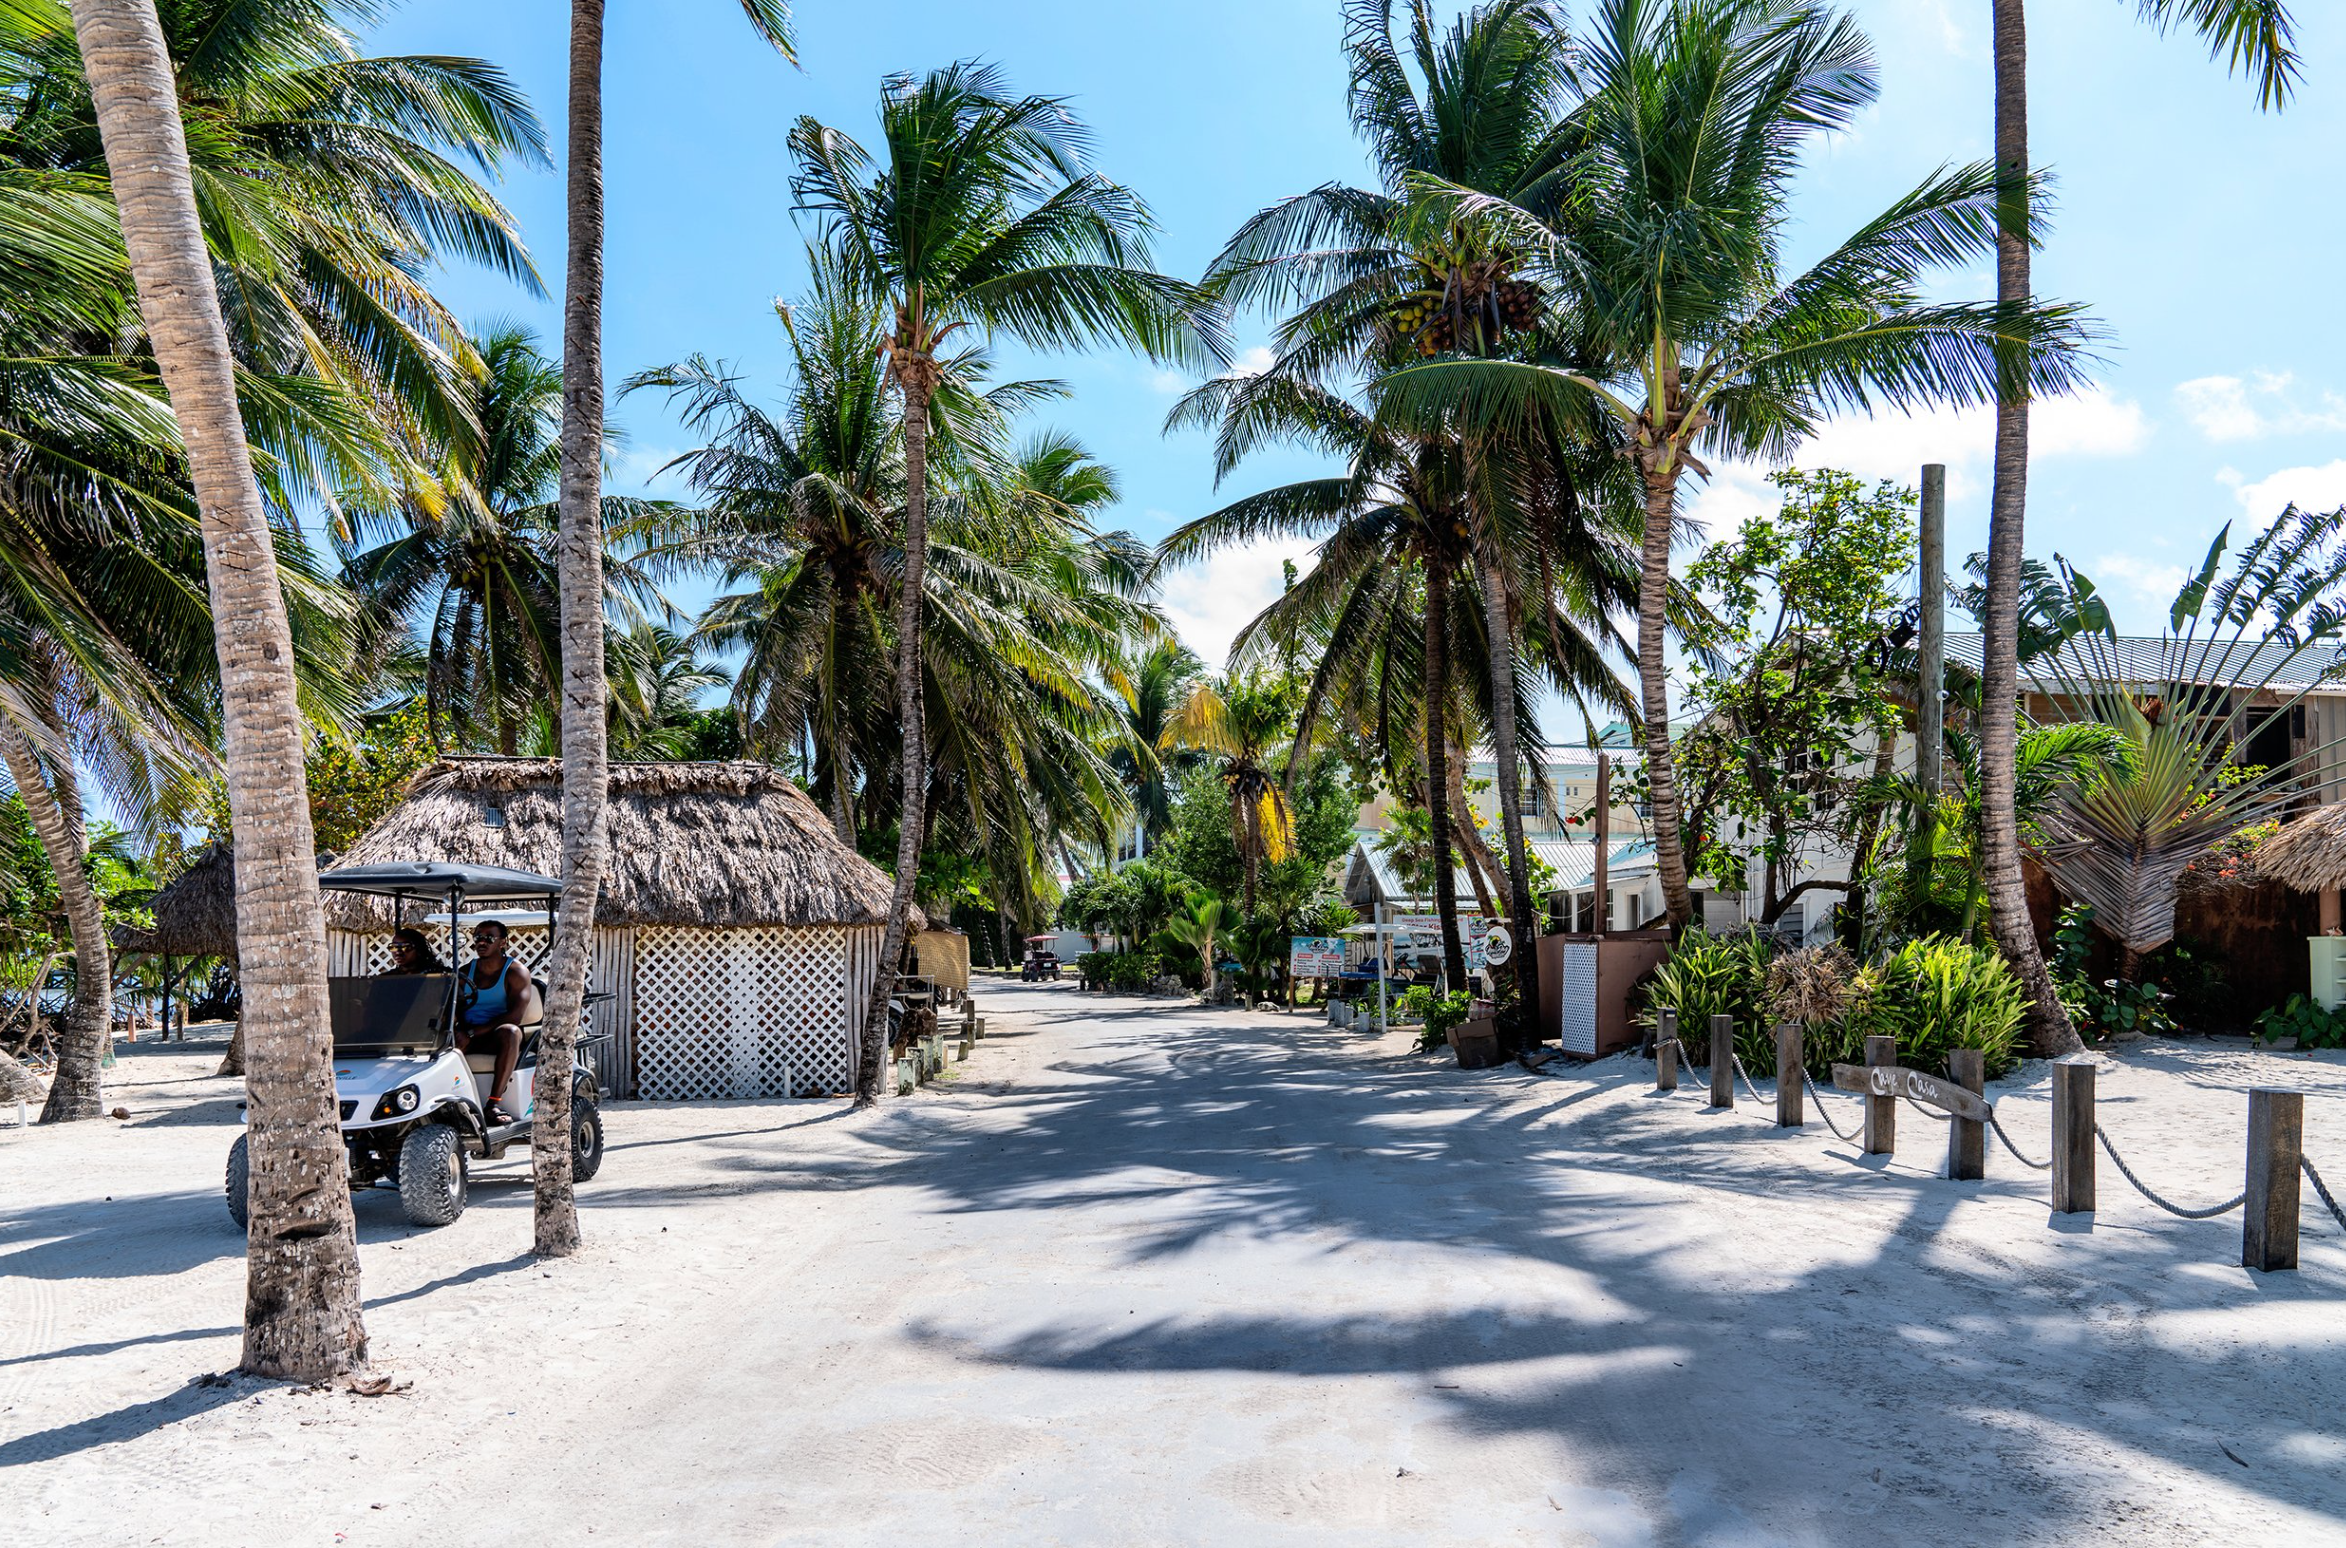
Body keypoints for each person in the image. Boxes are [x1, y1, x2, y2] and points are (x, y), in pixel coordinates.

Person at [456, 920, 538, 1126]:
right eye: (477, 938)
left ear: (503, 942)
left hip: (494, 1036)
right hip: (468, 1034)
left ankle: (493, 1104)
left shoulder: (516, 972)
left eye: (488, 938)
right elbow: (453, 1008)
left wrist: (472, 1033)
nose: (481, 942)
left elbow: (515, 1016)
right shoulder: (465, 972)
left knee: (511, 1032)